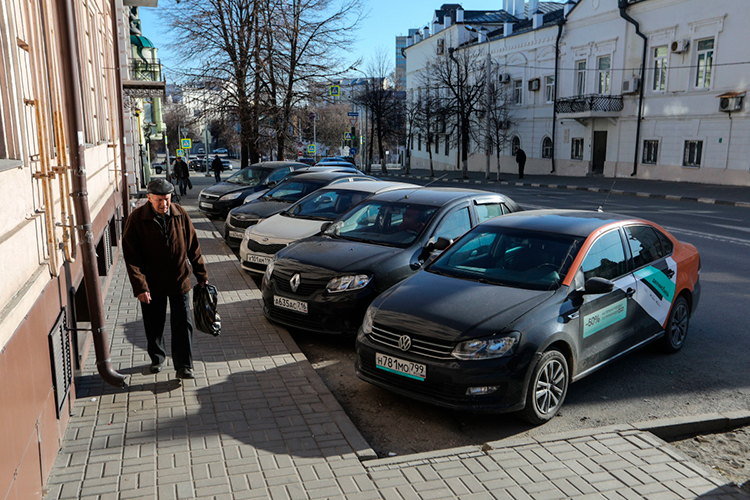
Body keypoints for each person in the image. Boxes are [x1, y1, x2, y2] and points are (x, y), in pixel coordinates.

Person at [122, 178, 209, 379]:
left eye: (167, 199)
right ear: (149, 198)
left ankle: (184, 365)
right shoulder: (137, 219)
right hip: (152, 283)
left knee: (183, 324)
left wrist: (201, 275)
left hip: (180, 280)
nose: (164, 204)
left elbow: (193, 248)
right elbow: (131, 257)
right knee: (154, 323)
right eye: (159, 200)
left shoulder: (180, 214)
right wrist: (140, 286)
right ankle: (157, 358)